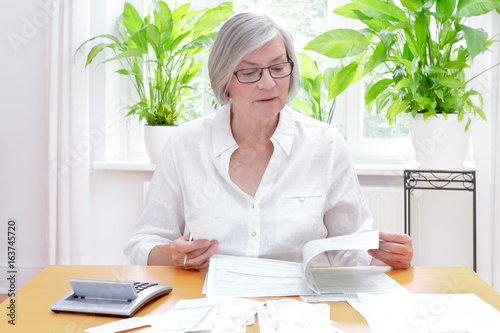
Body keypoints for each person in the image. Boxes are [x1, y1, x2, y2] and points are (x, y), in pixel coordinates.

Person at [124, 12, 413, 271]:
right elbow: (143, 243)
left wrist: (388, 257)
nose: (268, 84)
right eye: (250, 72)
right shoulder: (185, 145)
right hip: (211, 303)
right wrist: (173, 254)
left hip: (300, 307)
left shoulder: (326, 145)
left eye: (278, 68)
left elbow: (351, 252)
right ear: (224, 79)